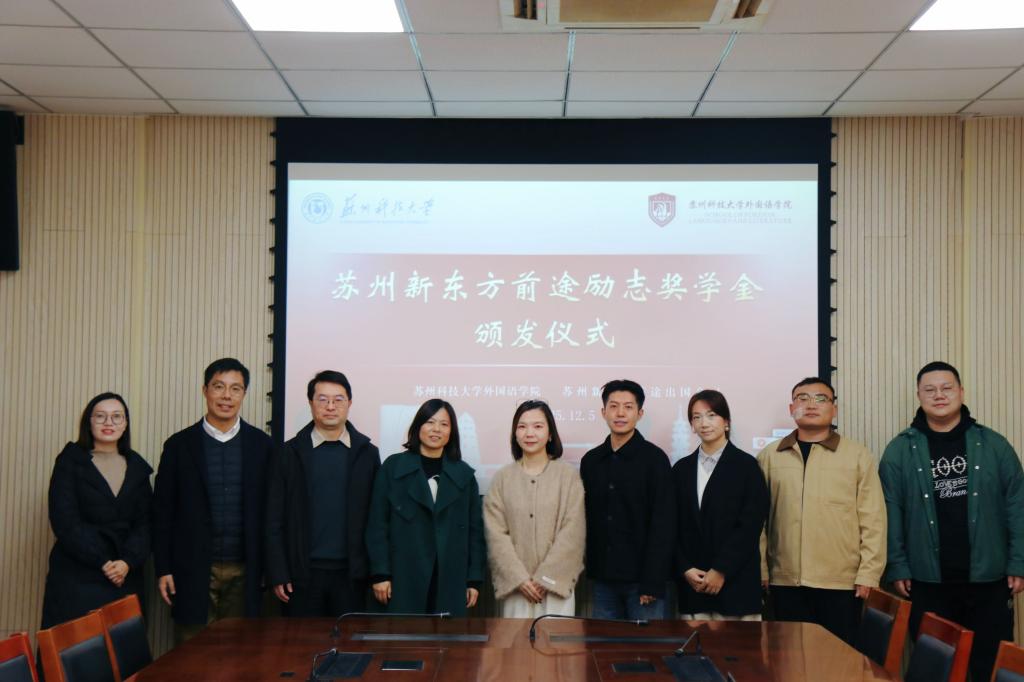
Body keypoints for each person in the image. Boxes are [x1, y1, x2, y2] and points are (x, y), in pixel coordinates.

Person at [880, 361, 1024, 682]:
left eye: (947, 388)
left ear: (961, 392)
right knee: (935, 671)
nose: (939, 395)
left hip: (989, 581)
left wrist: (1018, 561)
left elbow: (1017, 505)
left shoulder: (994, 445)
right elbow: (890, 512)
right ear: (919, 396)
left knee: (992, 668)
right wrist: (898, 566)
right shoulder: (899, 450)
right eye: (929, 389)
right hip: (927, 582)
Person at [757, 377, 886, 645]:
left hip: (841, 583)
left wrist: (869, 574)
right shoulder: (770, 456)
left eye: (820, 399)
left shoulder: (857, 455)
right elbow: (759, 522)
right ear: (792, 408)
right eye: (802, 398)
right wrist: (761, 569)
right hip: (785, 581)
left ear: (834, 409)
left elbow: (873, 519)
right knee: (788, 659)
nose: (811, 404)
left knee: (837, 659)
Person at [152, 358, 273, 643]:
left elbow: (272, 512)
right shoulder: (179, 446)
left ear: (244, 394)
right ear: (205, 390)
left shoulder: (263, 446)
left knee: (240, 651)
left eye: (235, 388)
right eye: (219, 387)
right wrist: (163, 568)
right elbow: (162, 512)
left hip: (245, 570)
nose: (226, 396)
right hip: (192, 568)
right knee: (192, 652)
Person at [265, 370, 381, 616]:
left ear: (349, 403)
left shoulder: (368, 454)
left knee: (351, 640)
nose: (330, 406)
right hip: (301, 576)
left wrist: (377, 572)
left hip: (353, 576)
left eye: (338, 400)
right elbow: (273, 518)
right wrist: (278, 571)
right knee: (300, 641)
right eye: (322, 399)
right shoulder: (289, 453)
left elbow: (378, 518)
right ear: (311, 403)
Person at [41, 392, 152, 629]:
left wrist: (127, 562)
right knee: (75, 646)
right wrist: (102, 561)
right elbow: (64, 520)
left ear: (125, 423)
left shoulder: (137, 467)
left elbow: (146, 522)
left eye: (117, 416)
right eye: (100, 416)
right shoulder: (70, 461)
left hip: (125, 575)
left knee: (124, 647)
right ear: (88, 422)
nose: (109, 422)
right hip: (78, 574)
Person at [366, 399, 485, 616]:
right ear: (418, 426)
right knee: (404, 636)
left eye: (444, 424)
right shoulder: (393, 467)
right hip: (403, 576)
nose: (436, 429)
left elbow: (475, 532)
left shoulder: (464, 475)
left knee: (447, 636)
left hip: (450, 577)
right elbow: (377, 524)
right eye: (430, 422)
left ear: (452, 432)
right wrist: (380, 573)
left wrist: (474, 580)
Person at [580, 379, 674, 620]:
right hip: (602, 578)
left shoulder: (655, 460)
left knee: (645, 643)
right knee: (603, 642)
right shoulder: (591, 461)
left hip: (643, 581)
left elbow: (663, 524)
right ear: (603, 412)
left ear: (639, 413)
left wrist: (653, 581)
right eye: (613, 406)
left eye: (628, 407)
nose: (620, 413)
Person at [672, 390, 768, 621]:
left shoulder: (747, 466)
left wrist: (721, 570)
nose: (704, 423)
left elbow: (750, 525)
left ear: (726, 422)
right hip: (694, 583)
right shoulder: (681, 469)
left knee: (739, 644)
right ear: (691, 425)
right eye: (697, 417)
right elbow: (671, 525)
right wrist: (684, 568)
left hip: (736, 583)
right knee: (694, 644)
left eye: (711, 415)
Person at [484, 400, 585, 617]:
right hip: (516, 589)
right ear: (515, 434)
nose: (529, 433)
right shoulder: (502, 479)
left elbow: (573, 533)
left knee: (557, 639)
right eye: (522, 427)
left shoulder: (568, 477)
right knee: (515, 639)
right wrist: (519, 579)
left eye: (538, 426)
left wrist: (546, 578)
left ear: (550, 434)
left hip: (557, 587)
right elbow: (496, 536)